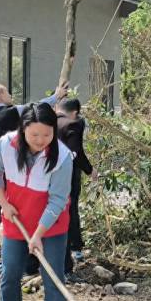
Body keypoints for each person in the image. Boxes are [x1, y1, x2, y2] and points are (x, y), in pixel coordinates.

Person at [0, 103, 73, 301]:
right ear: (23, 130)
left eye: (47, 135)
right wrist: (4, 203)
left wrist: (39, 234)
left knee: (53, 280)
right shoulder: (6, 145)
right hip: (16, 222)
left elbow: (58, 200)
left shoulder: (63, 157)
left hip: (51, 227)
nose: (40, 141)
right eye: (34, 135)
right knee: (10, 275)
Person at [0, 81, 68, 272]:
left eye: (47, 135)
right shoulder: (11, 113)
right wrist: (57, 96)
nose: (41, 140)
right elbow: (36, 109)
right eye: (8, 93)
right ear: (0, 95)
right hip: (0, 170)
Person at [56, 97, 97, 277]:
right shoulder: (74, 124)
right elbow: (75, 152)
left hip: (47, 175)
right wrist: (90, 170)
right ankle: (75, 249)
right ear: (75, 112)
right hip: (68, 174)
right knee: (70, 209)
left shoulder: (49, 121)